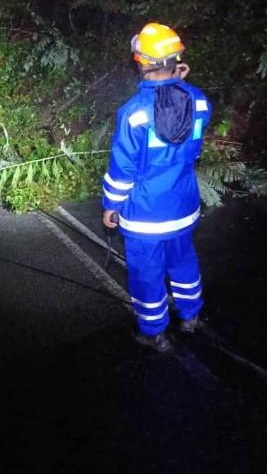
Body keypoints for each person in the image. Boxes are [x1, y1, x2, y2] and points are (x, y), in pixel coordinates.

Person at [102, 22, 211, 353]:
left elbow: (123, 170)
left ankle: (154, 333)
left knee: (147, 274)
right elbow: (181, 123)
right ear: (175, 61)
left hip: (145, 215)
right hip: (183, 207)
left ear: (142, 61)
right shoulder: (200, 102)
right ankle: (191, 316)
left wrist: (111, 205)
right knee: (183, 261)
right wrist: (181, 83)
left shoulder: (133, 113)